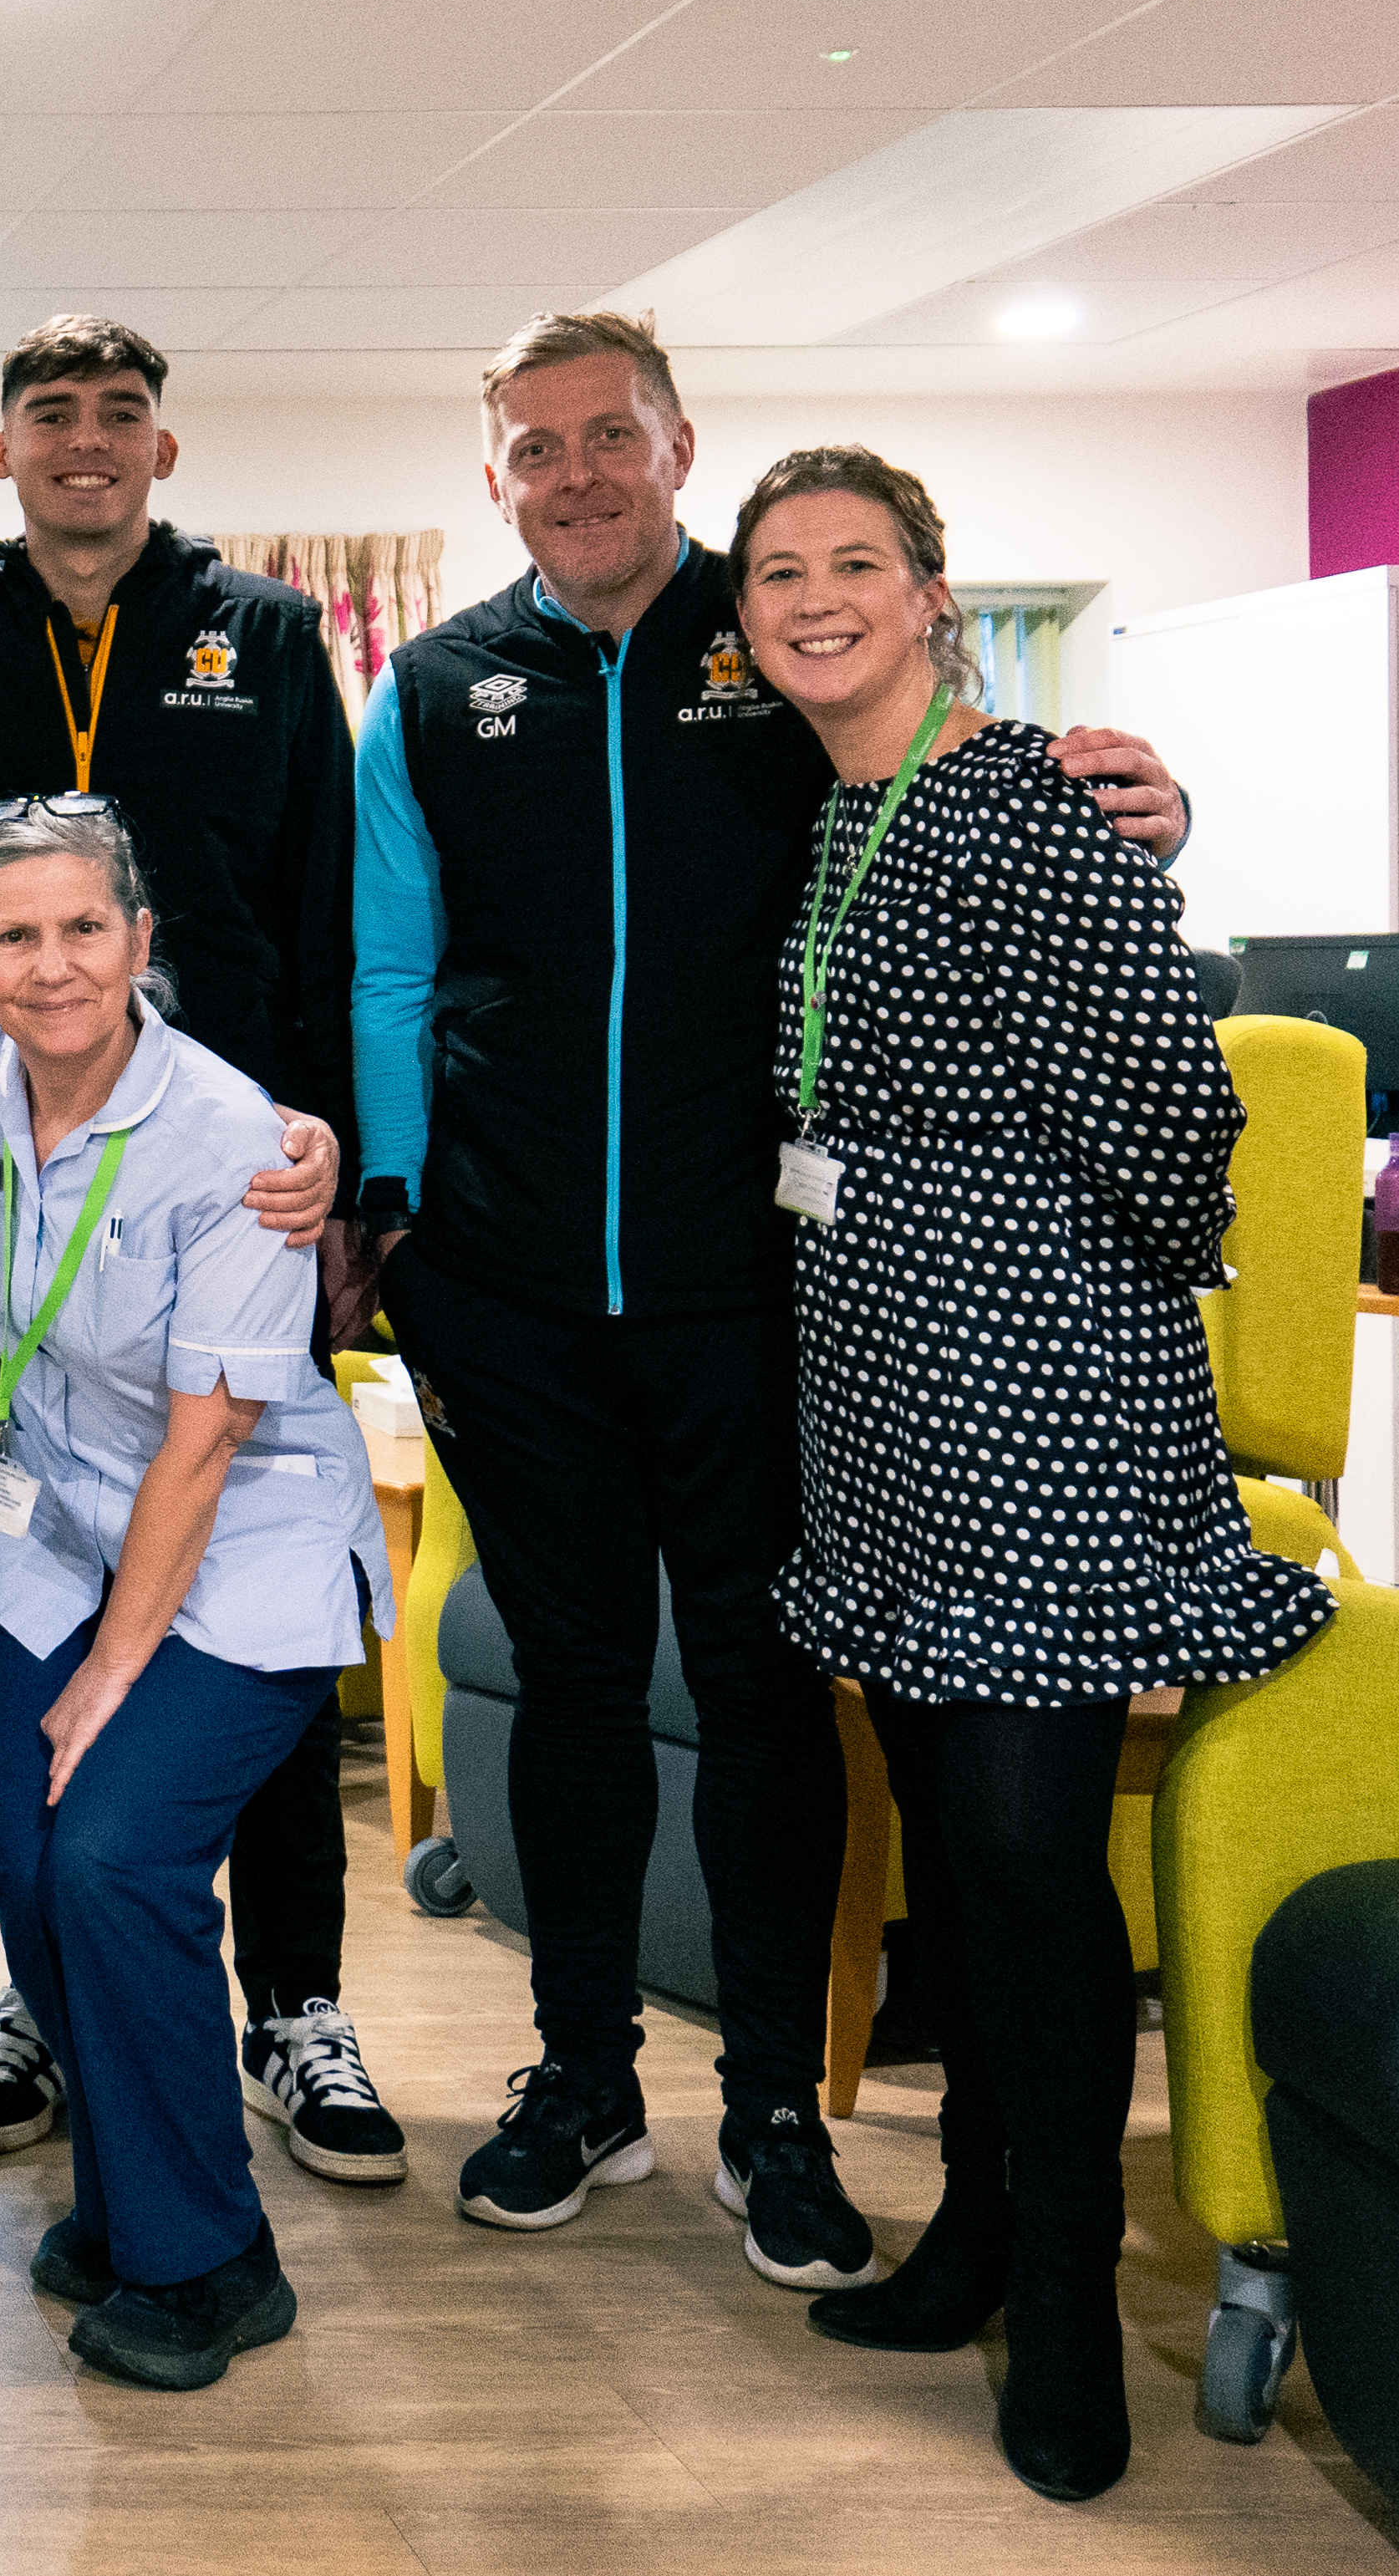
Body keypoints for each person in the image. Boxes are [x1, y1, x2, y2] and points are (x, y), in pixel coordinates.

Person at [352, 311, 1185, 2278]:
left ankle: (771, 2117)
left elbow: (950, 793)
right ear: (496, 480)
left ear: (675, 444)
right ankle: (579, 2079)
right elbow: (394, 971)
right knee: (563, 1690)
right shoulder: (438, 683)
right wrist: (394, 1215)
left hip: (773, 1292)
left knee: (751, 1691)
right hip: (514, 1280)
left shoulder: (788, 640)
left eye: (609, 437)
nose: (574, 474)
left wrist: (1124, 805)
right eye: (534, 448)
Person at [732, 445, 1330, 2502]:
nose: (812, 599)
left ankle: (1065, 2303)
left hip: (1038, 1395)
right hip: (883, 1398)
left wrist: (1061, 1285)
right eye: (778, 572)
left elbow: (1173, 1107)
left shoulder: (1030, 802)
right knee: (959, 1877)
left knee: (1019, 1865)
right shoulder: (843, 814)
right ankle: (976, 2228)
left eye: (852, 567)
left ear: (927, 592)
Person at [0, 313, 397, 2189]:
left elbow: (326, 906)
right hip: (10, 1180)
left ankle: (299, 2005)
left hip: (227, 1186)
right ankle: (49, 1986)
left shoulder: (255, 634)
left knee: (240, 1591)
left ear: (162, 451)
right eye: (48, 416)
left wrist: (341, 1167)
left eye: (118, 416)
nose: (84, 444)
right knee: (51, 1609)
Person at [0, 804, 392, 2393]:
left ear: (141, 941)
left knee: (115, 1853)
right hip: (52, 1518)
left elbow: (207, 1440)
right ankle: (134, 2191)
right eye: (14, 935)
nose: (51, 965)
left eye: (84, 929)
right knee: (26, 1865)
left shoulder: (236, 1147)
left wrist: (106, 1672)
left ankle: (207, 2257)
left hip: (239, 1540)